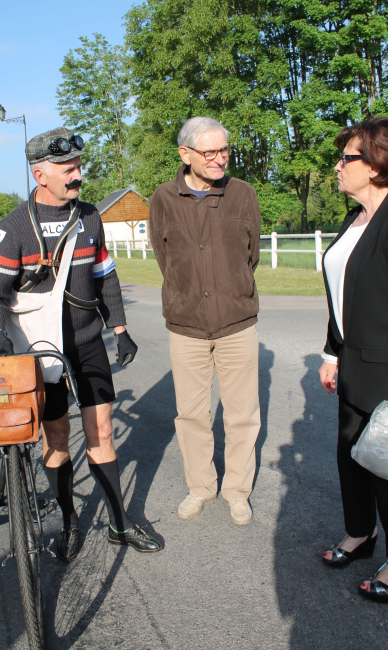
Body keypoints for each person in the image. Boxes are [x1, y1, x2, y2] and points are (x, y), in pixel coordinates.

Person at [0, 127, 162, 561]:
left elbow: (105, 276)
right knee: (57, 438)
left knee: (100, 431)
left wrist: (119, 328)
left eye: (79, 166)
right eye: (68, 169)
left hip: (87, 342)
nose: (77, 175)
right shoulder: (16, 227)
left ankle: (118, 523)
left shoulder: (90, 217)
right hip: (40, 348)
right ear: (41, 175)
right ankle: (69, 519)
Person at [149, 116, 261, 525]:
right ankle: (200, 487)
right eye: (210, 151)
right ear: (185, 154)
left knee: (242, 413)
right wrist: (186, 292)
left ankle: (236, 490)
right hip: (187, 326)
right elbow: (165, 259)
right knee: (192, 414)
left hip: (237, 322)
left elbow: (252, 255)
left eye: (224, 150)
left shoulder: (243, 194)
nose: (220, 159)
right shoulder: (162, 198)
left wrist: (233, 288)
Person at [319, 117, 388, 602]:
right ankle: (361, 534)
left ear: (378, 164)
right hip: (353, 362)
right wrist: (331, 352)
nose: (338, 167)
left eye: (347, 158)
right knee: (351, 456)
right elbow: (341, 293)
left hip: (385, 367)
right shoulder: (354, 218)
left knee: (386, 465)